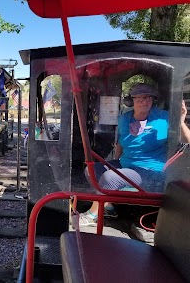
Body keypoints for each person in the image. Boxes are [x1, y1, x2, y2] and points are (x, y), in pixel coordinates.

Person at [80, 83, 190, 226]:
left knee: (110, 178)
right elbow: (121, 141)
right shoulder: (125, 119)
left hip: (151, 172)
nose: (144, 101)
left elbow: (187, 141)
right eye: (139, 98)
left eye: (148, 98)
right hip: (126, 163)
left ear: (153, 100)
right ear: (131, 100)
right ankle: (109, 207)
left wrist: (181, 121)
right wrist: (115, 161)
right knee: (91, 170)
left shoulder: (163, 118)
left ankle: (92, 215)